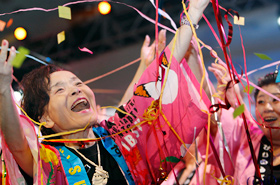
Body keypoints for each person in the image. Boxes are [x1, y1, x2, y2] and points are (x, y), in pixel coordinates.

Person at [0, 0, 210, 184]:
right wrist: (3, 90)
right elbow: (18, 146)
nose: (75, 90)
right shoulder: (49, 163)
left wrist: (193, 14)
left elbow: (159, 76)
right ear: (45, 118)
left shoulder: (116, 136)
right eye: (60, 89)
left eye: (77, 83)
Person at [207, 60, 280, 184]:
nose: (267, 108)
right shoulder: (253, 143)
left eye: (275, 100)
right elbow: (244, 119)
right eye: (261, 102)